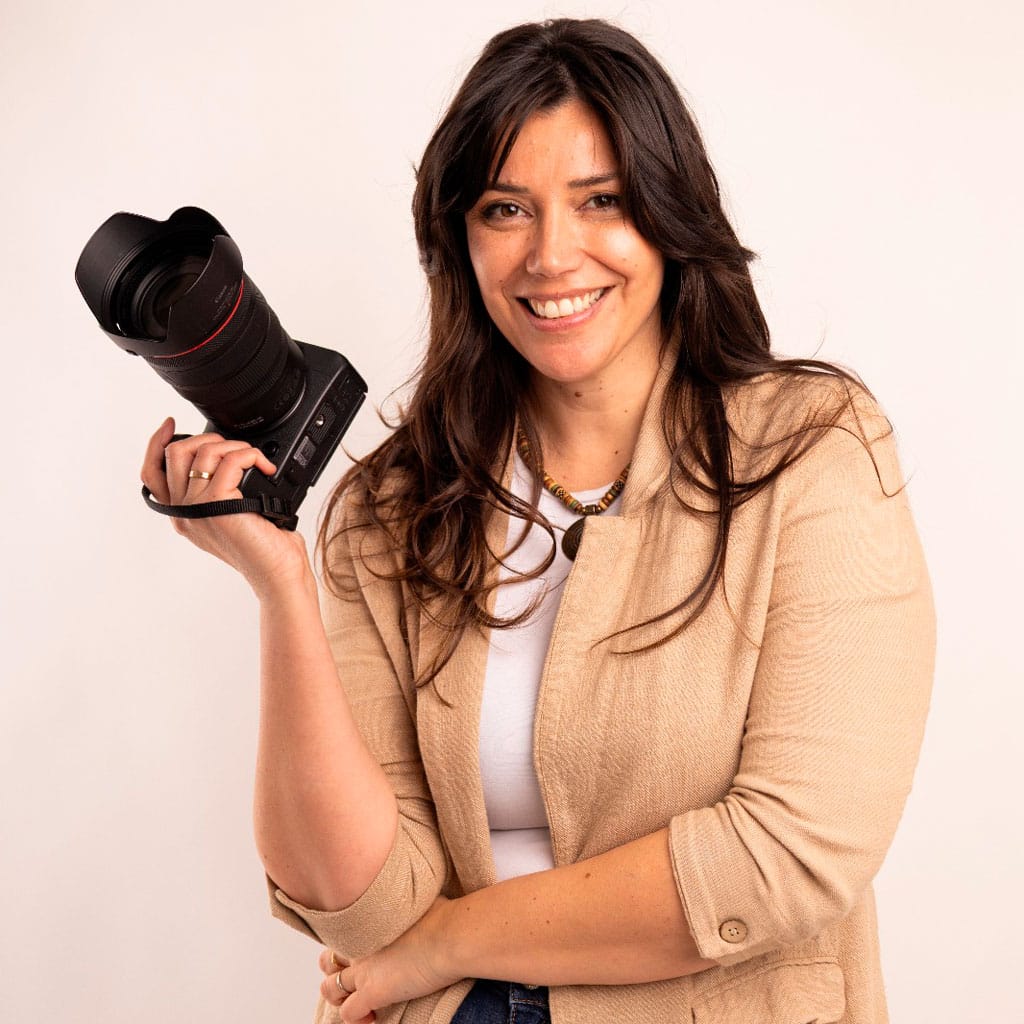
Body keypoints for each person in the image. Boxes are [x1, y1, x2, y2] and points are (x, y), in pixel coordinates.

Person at [141, 17, 935, 1024]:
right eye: (504, 209)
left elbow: (790, 848)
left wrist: (445, 942)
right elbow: (359, 903)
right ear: (459, 240)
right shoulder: (395, 511)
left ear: (667, 215)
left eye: (600, 201)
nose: (551, 255)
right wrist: (279, 583)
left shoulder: (811, 452)